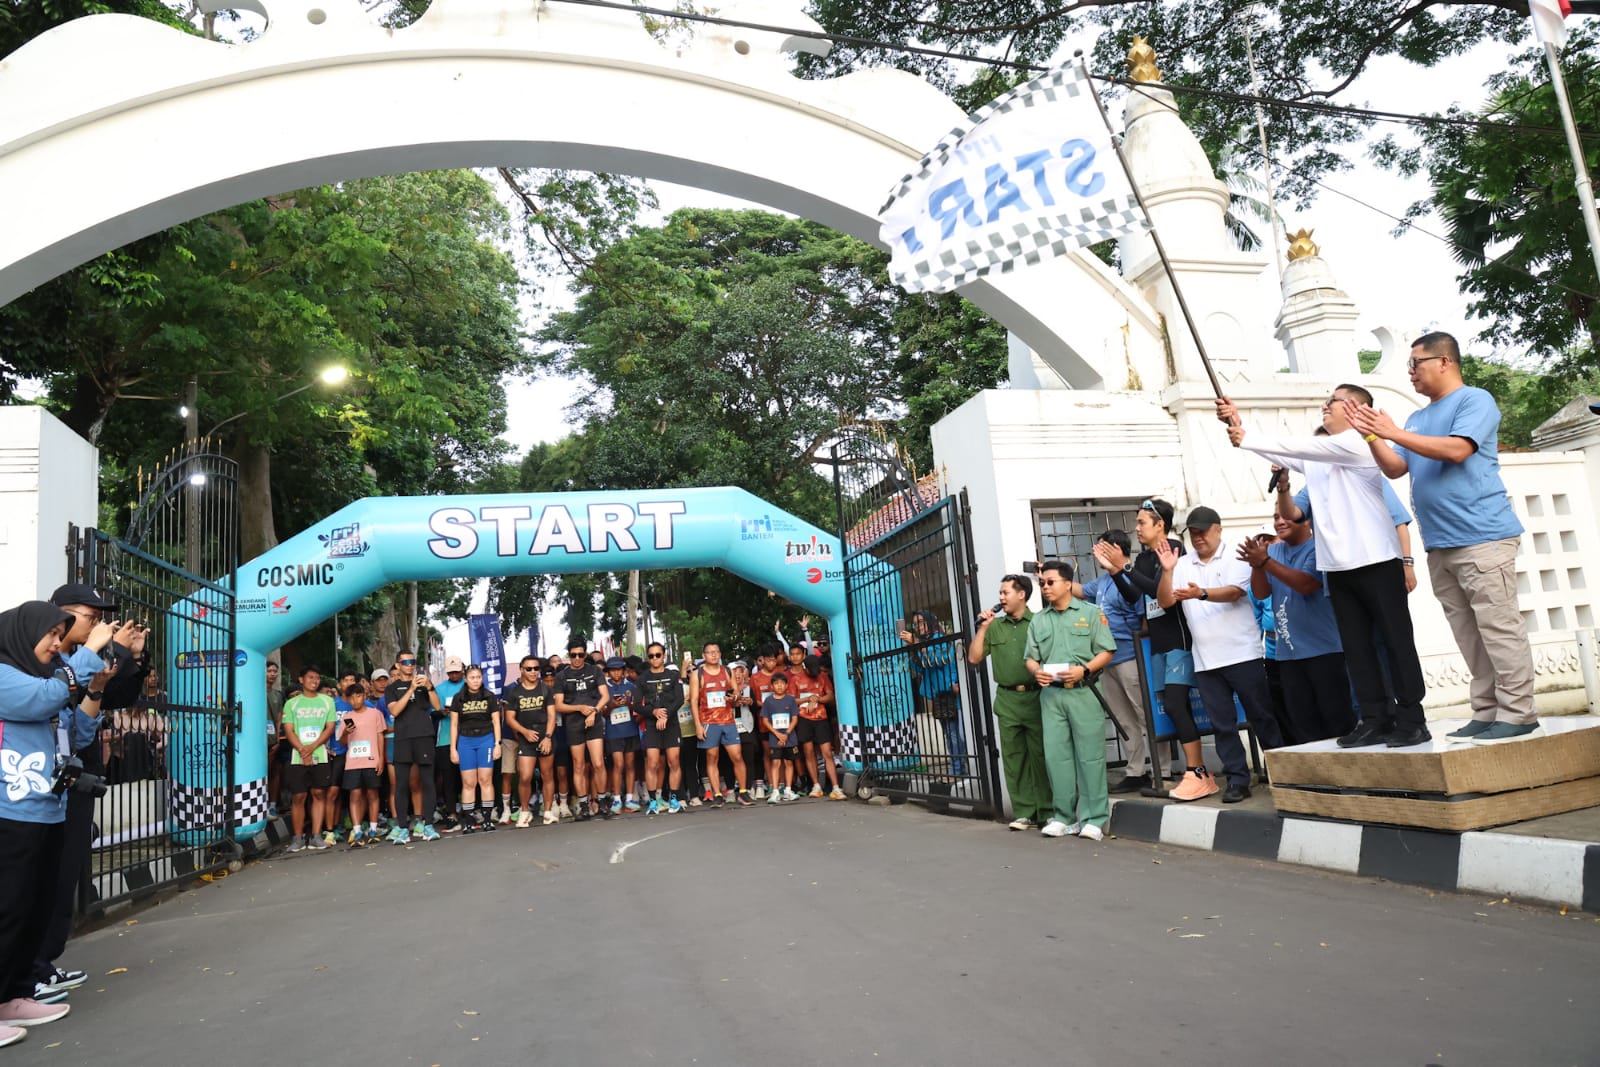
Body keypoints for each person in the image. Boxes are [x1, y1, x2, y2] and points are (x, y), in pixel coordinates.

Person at [1348, 331, 1540, 744]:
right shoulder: (1418, 419)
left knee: (1499, 627)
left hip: (1483, 536)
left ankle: (1519, 712)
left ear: (1444, 361)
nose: (1411, 372)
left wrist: (1394, 432)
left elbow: (1457, 450)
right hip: (1441, 543)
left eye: (1416, 364)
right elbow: (1397, 469)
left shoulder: (1475, 400)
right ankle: (1487, 711)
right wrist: (1372, 434)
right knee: (1469, 634)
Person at [1221, 388, 1431, 748]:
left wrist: (1248, 435)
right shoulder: (1319, 460)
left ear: (1354, 408)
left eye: (1332, 400)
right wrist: (1239, 427)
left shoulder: (1357, 443)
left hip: (1377, 561)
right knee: (1357, 648)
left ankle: (1412, 718)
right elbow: (1283, 460)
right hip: (1338, 567)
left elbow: (1297, 447)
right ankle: (1374, 718)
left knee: (1396, 643)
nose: (1324, 405)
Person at [0, 601, 116, 1039]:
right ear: (21, 634)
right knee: (7, 907)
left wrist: (94, 688)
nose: (56, 644)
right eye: (50, 635)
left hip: (48, 808)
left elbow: (78, 732)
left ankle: (13, 994)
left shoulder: (48, 676)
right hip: (11, 808)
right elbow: (39, 700)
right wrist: (87, 658)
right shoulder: (7, 674)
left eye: (59, 635)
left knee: (34, 907)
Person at [1155, 506, 1285, 803]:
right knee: (1222, 724)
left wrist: (1201, 593)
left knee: (1262, 717)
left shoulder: (1235, 556)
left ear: (1218, 529)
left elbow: (1235, 592)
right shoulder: (1182, 563)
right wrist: (1167, 571)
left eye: (1203, 531)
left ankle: (1281, 774)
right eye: (1193, 532)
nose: (1198, 537)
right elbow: (1165, 601)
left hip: (1243, 654)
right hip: (1205, 660)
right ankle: (1238, 779)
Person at [1116, 498, 1212, 799]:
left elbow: (1161, 590)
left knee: (1175, 704)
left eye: (1142, 522)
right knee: (1169, 708)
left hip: (1179, 640)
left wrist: (1126, 567)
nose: (1137, 528)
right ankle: (1193, 773)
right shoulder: (1143, 558)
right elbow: (1135, 594)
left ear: (1161, 524)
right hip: (1156, 643)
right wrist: (1116, 571)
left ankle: (1198, 772)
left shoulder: (1176, 550)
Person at [1238, 513, 1356, 742]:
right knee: (1302, 725)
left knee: (1337, 722)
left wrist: (1265, 562)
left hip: (1325, 651)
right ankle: (1315, 777)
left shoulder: (1320, 548)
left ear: (1308, 520)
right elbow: (1261, 593)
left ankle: (1350, 776)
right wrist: (1257, 566)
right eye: (1275, 517)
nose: (1279, 521)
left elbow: (1305, 584)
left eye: (1286, 517)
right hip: (1286, 656)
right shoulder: (1272, 553)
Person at [1022, 561, 1116, 840]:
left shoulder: (1090, 614)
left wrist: (1084, 669)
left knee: (1090, 756)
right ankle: (1063, 816)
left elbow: (1107, 650)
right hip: (1051, 696)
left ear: (1067, 583)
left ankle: (1094, 818)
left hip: (1082, 691)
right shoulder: (1039, 619)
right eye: (1042, 583)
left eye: (1051, 582)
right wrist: (1035, 672)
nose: (1045, 587)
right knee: (1056, 757)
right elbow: (1030, 656)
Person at [969, 573, 1049, 830]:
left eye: (1006, 593)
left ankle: (1046, 812)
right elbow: (974, 657)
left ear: (1022, 594)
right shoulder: (995, 626)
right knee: (1014, 758)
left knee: (1041, 756)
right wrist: (982, 628)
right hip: (1007, 700)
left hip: (1037, 697)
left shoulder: (1039, 622)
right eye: (1001, 593)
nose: (1001, 598)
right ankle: (1024, 811)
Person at [1078, 532, 1151, 793]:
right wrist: (1050, 576)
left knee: (1146, 715)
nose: (1095, 553)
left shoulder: (1132, 579)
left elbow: (1144, 618)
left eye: (1101, 548)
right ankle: (1136, 771)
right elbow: (1076, 590)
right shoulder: (1101, 583)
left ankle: (1163, 770)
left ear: (1116, 549)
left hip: (1131, 658)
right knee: (1124, 719)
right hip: (1106, 659)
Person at [383, 651, 442, 845]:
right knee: (401, 784)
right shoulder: (392, 688)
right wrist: (410, 690)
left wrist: (429, 687)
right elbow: (395, 710)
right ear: (398, 665)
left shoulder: (424, 684)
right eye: (405, 662)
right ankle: (401, 828)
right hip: (402, 739)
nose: (409, 665)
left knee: (427, 782)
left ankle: (428, 825)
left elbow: (437, 706)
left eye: (412, 662)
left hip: (424, 736)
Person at [900, 610, 966, 777]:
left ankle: (958, 770)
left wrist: (917, 644)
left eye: (921, 622)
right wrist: (913, 648)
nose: (918, 626)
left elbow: (939, 659)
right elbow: (918, 667)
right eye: (915, 624)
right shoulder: (924, 642)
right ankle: (958, 768)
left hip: (950, 692)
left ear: (930, 622)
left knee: (956, 734)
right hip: (939, 695)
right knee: (949, 734)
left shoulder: (939, 639)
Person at [688, 642, 754, 807]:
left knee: (737, 756)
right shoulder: (697, 674)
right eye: (710, 652)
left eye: (716, 652)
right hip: (709, 722)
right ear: (704, 656)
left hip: (728, 721)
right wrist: (697, 726)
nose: (713, 655)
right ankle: (717, 794)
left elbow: (736, 692)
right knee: (712, 758)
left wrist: (734, 697)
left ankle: (743, 792)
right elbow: (694, 701)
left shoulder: (726, 671)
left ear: (720, 654)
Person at [282, 665, 338, 852]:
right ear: (301, 679)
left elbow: (329, 728)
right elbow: (288, 729)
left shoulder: (327, 701)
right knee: (299, 796)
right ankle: (297, 838)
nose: (315, 681)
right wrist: (302, 750)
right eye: (311, 677)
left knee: (319, 794)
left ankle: (316, 835)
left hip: (320, 754)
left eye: (317, 678)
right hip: (298, 757)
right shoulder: (292, 704)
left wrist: (312, 748)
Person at [554, 640, 609, 821]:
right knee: (578, 765)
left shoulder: (594, 671)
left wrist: (593, 711)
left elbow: (605, 696)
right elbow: (559, 705)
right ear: (568, 655)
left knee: (598, 763)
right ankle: (583, 805)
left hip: (594, 721)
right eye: (573, 655)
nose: (576, 658)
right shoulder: (562, 676)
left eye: (580, 655)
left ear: (585, 655)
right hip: (574, 724)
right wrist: (579, 708)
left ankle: (602, 801)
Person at [501, 655, 557, 827]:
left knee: (547, 775)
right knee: (525, 777)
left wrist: (547, 737)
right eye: (529, 669)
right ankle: (525, 812)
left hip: (545, 737)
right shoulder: (515, 692)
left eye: (536, 668)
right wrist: (524, 732)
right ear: (522, 670)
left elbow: (552, 715)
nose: (533, 672)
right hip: (526, 739)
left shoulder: (545, 689)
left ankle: (548, 812)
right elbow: (509, 718)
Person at [449, 665, 502, 833]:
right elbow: (454, 725)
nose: (476, 680)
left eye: (478, 677)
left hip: (486, 739)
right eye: (472, 677)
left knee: (485, 780)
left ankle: (487, 820)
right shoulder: (459, 698)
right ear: (466, 679)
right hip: (465, 741)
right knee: (468, 783)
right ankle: (469, 821)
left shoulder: (489, 697)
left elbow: (496, 722)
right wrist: (453, 748)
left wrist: (497, 744)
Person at [637, 642, 686, 815]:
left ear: (664, 656)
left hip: (671, 723)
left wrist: (665, 715)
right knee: (652, 763)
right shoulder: (642, 678)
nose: (655, 658)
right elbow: (636, 705)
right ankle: (653, 801)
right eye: (651, 656)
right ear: (648, 658)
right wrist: (653, 712)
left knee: (674, 761)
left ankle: (673, 799)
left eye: (658, 655)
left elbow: (679, 699)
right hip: (651, 724)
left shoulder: (673, 675)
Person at [338, 683, 386, 846]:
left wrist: (381, 758)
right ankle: (357, 830)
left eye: (358, 696)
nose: (355, 700)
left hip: (371, 759)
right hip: (353, 762)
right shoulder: (346, 717)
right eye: (351, 697)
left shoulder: (375, 714)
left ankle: (373, 828)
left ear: (364, 696)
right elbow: (342, 742)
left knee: (373, 794)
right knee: (355, 795)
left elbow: (380, 736)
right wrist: (346, 732)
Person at [792, 654, 845, 799]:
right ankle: (816, 786)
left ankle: (835, 787)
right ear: (805, 667)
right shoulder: (795, 679)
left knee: (827, 752)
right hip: (804, 719)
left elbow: (830, 696)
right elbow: (791, 700)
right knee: (809, 752)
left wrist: (817, 699)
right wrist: (807, 699)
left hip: (821, 719)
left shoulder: (823, 676)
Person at [602, 657, 641, 815]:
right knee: (618, 764)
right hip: (613, 733)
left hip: (630, 730)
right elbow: (602, 713)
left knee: (630, 764)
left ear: (624, 671)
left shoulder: (632, 686)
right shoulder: (604, 688)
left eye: (619, 669)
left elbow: (637, 710)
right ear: (609, 672)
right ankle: (617, 798)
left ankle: (630, 798)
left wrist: (629, 704)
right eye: (613, 670)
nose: (616, 673)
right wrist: (612, 705)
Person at [433, 656, 467, 831]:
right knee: (448, 779)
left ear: (463, 670)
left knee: (469, 777)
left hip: (468, 738)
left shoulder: (470, 686)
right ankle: (452, 813)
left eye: (457, 671)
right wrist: (442, 712)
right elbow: (432, 712)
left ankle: (471, 810)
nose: (454, 675)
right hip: (445, 739)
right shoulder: (439, 689)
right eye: (451, 672)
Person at [760, 671, 800, 803]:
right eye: (776, 684)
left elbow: (794, 719)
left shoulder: (791, 700)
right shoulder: (768, 701)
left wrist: (786, 734)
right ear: (772, 686)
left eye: (782, 683)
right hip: (774, 737)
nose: (779, 686)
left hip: (790, 737)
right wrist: (777, 734)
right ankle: (775, 791)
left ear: (787, 685)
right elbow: (765, 720)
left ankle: (788, 790)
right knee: (776, 763)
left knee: (789, 762)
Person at [728, 660, 764, 799]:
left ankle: (748, 789)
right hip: (730, 727)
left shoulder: (749, 689)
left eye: (740, 671)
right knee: (731, 759)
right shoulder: (725, 689)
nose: (737, 675)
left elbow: (755, 708)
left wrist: (751, 702)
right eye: (734, 672)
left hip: (747, 727)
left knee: (748, 758)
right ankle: (731, 789)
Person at [266, 659, 286, 817]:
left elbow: (279, 717)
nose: (272, 674)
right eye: (269, 671)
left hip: (273, 740)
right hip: (257, 742)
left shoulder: (277, 695)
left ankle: (272, 805)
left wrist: (278, 738)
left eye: (275, 671)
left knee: (275, 772)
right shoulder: (253, 692)